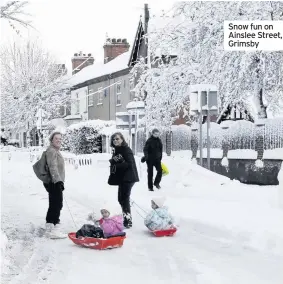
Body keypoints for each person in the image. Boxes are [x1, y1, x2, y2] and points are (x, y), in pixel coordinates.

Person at [108, 132, 139, 228]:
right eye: (114, 139)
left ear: (122, 139)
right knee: (121, 199)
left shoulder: (126, 150)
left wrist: (115, 164)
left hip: (129, 178)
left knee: (124, 199)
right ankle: (126, 217)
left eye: (117, 139)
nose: (115, 140)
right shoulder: (117, 150)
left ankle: (128, 221)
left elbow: (129, 164)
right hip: (123, 178)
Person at [44, 132, 66, 238]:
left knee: (55, 203)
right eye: (56, 138)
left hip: (55, 181)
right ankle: (52, 228)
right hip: (54, 182)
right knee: (57, 204)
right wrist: (58, 181)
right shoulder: (52, 151)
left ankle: (51, 225)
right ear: (51, 140)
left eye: (60, 139)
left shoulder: (55, 150)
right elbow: (52, 167)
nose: (58, 140)